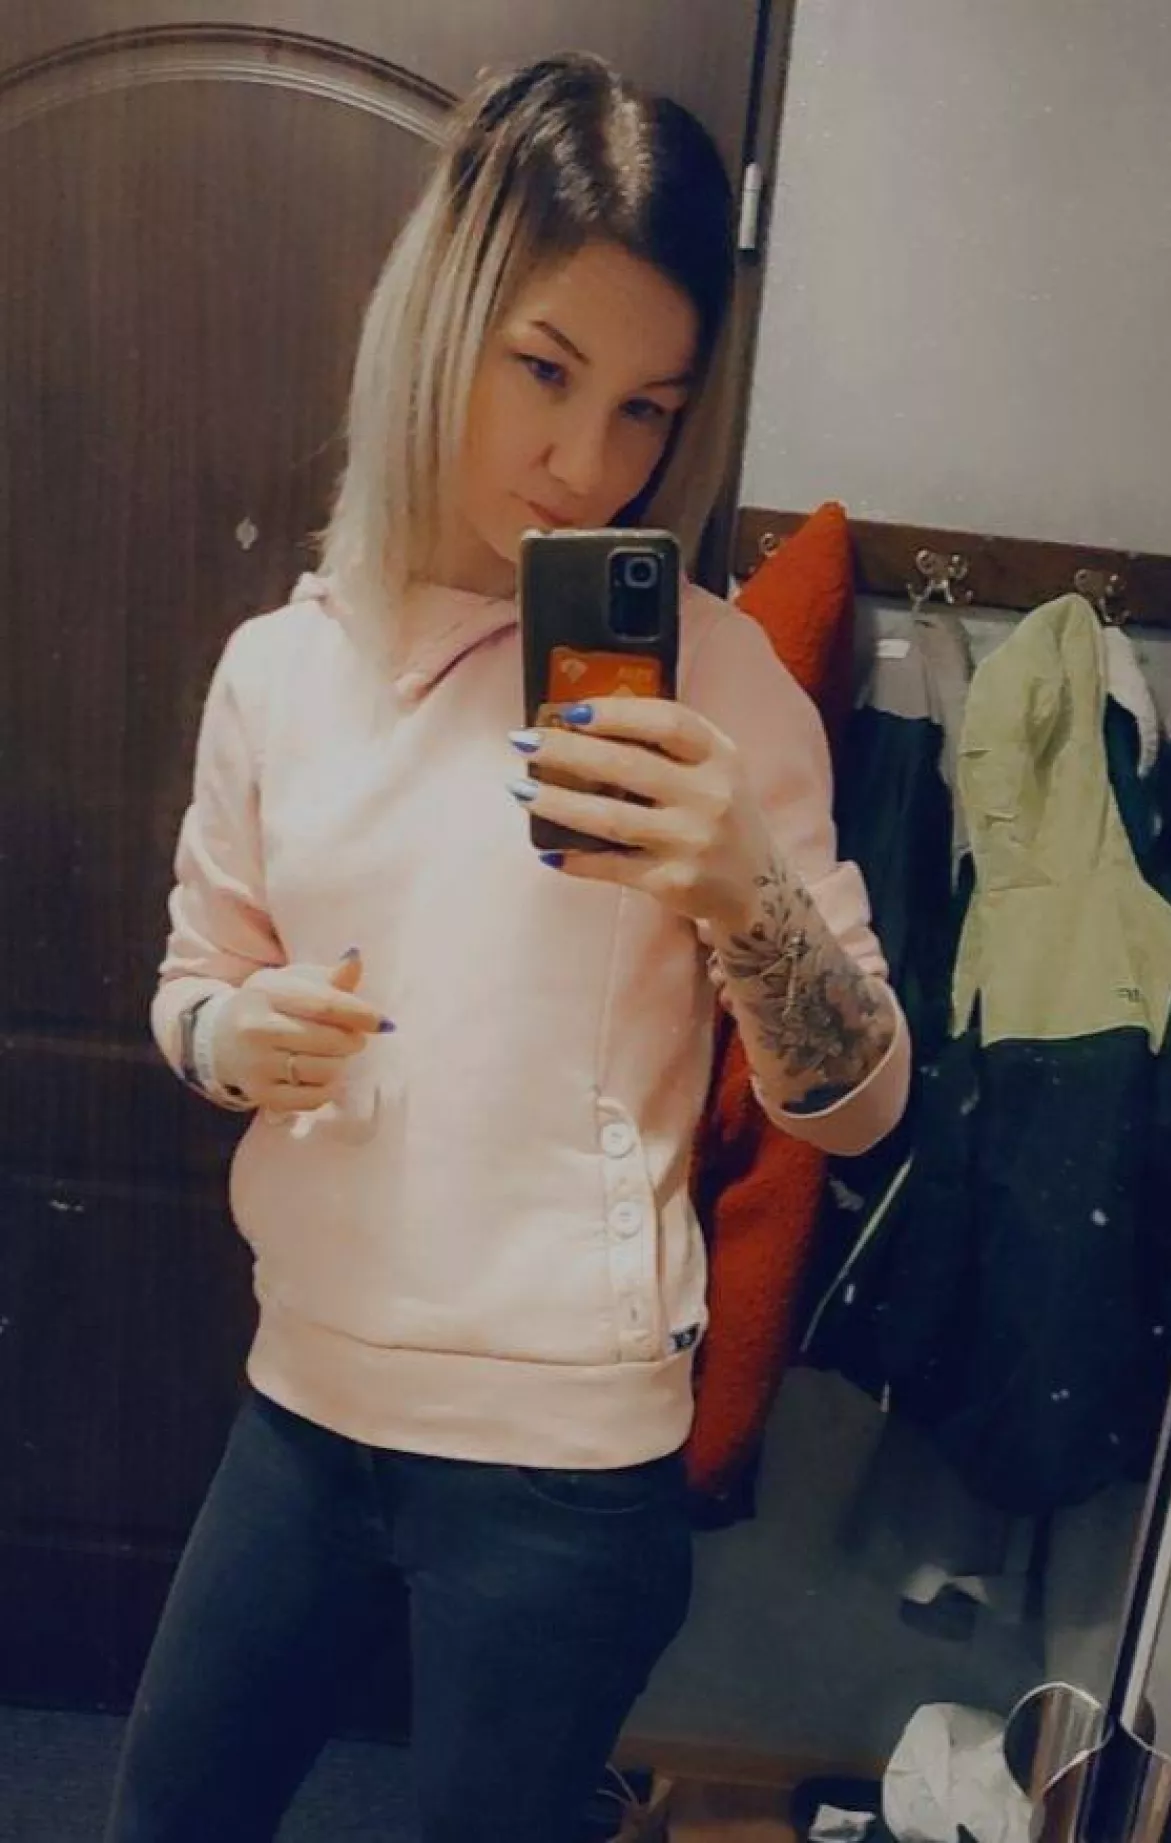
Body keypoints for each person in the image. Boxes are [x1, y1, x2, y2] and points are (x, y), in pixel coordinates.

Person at [105, 51, 909, 1843]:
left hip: (565, 1465)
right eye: (544, 369)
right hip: (302, 1405)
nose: (586, 459)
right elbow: (187, 988)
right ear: (440, 319)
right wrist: (234, 1038)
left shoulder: (719, 685)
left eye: (646, 409)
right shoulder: (280, 669)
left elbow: (859, 1108)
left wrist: (746, 891)